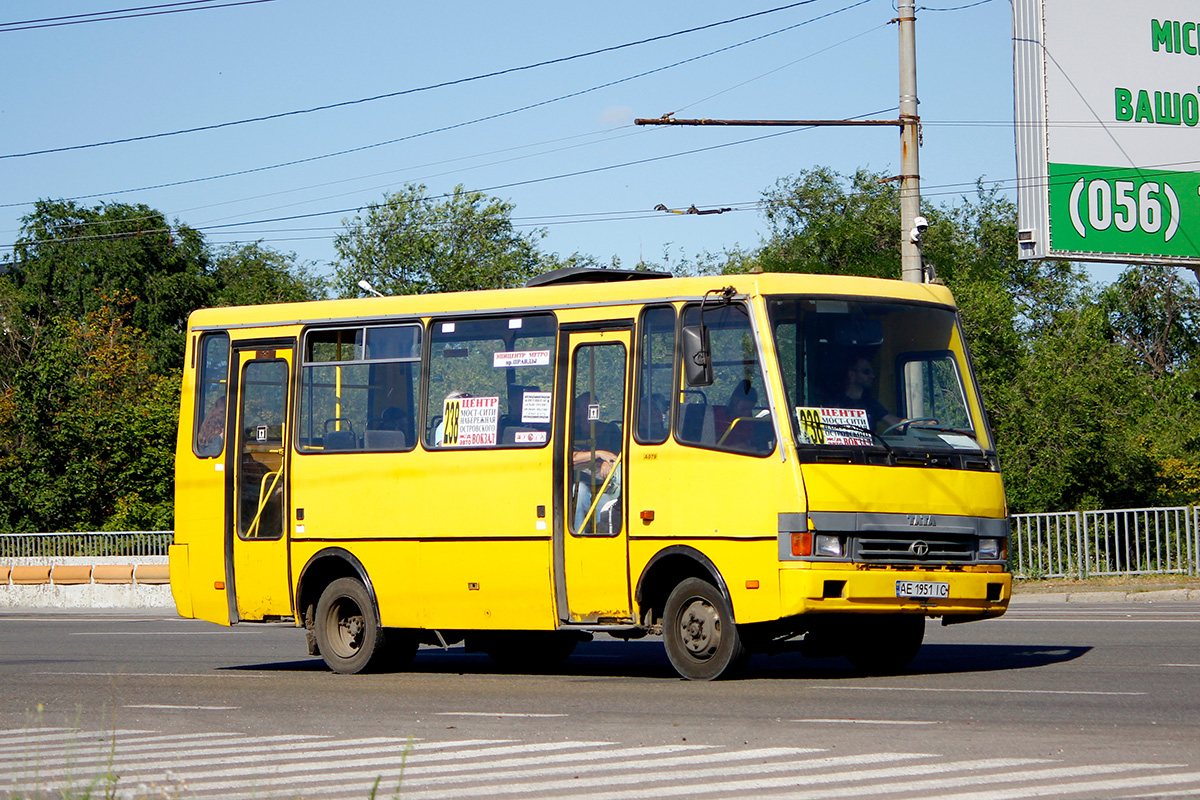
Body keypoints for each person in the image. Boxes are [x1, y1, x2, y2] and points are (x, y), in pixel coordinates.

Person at [572, 392, 620, 532]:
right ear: (577, 410)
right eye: (587, 405)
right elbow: (572, 458)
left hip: (606, 484)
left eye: (594, 405)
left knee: (605, 508)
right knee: (579, 491)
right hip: (581, 482)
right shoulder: (573, 432)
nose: (591, 408)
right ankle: (576, 536)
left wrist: (608, 462)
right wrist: (598, 454)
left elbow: (618, 456)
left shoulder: (611, 430)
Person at [837, 356, 901, 430]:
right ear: (852, 374)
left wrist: (914, 425)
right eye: (866, 372)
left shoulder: (870, 403)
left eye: (872, 372)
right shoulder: (835, 402)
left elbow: (895, 422)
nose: (872, 376)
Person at [713, 380, 757, 448]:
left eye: (750, 409)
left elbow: (749, 439)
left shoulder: (747, 418)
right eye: (744, 408)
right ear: (734, 400)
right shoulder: (717, 418)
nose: (747, 413)